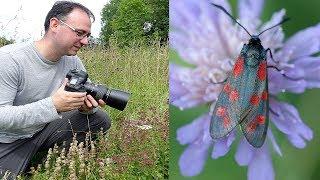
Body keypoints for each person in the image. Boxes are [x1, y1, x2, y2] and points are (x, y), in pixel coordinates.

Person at [0, 1, 111, 178]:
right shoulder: (10, 59)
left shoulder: (72, 61)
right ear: (55, 25)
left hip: (42, 130)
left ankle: (55, 162)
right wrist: (53, 105)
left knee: (98, 119)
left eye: (88, 35)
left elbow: (86, 104)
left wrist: (86, 108)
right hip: (8, 139)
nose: (85, 41)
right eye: (80, 33)